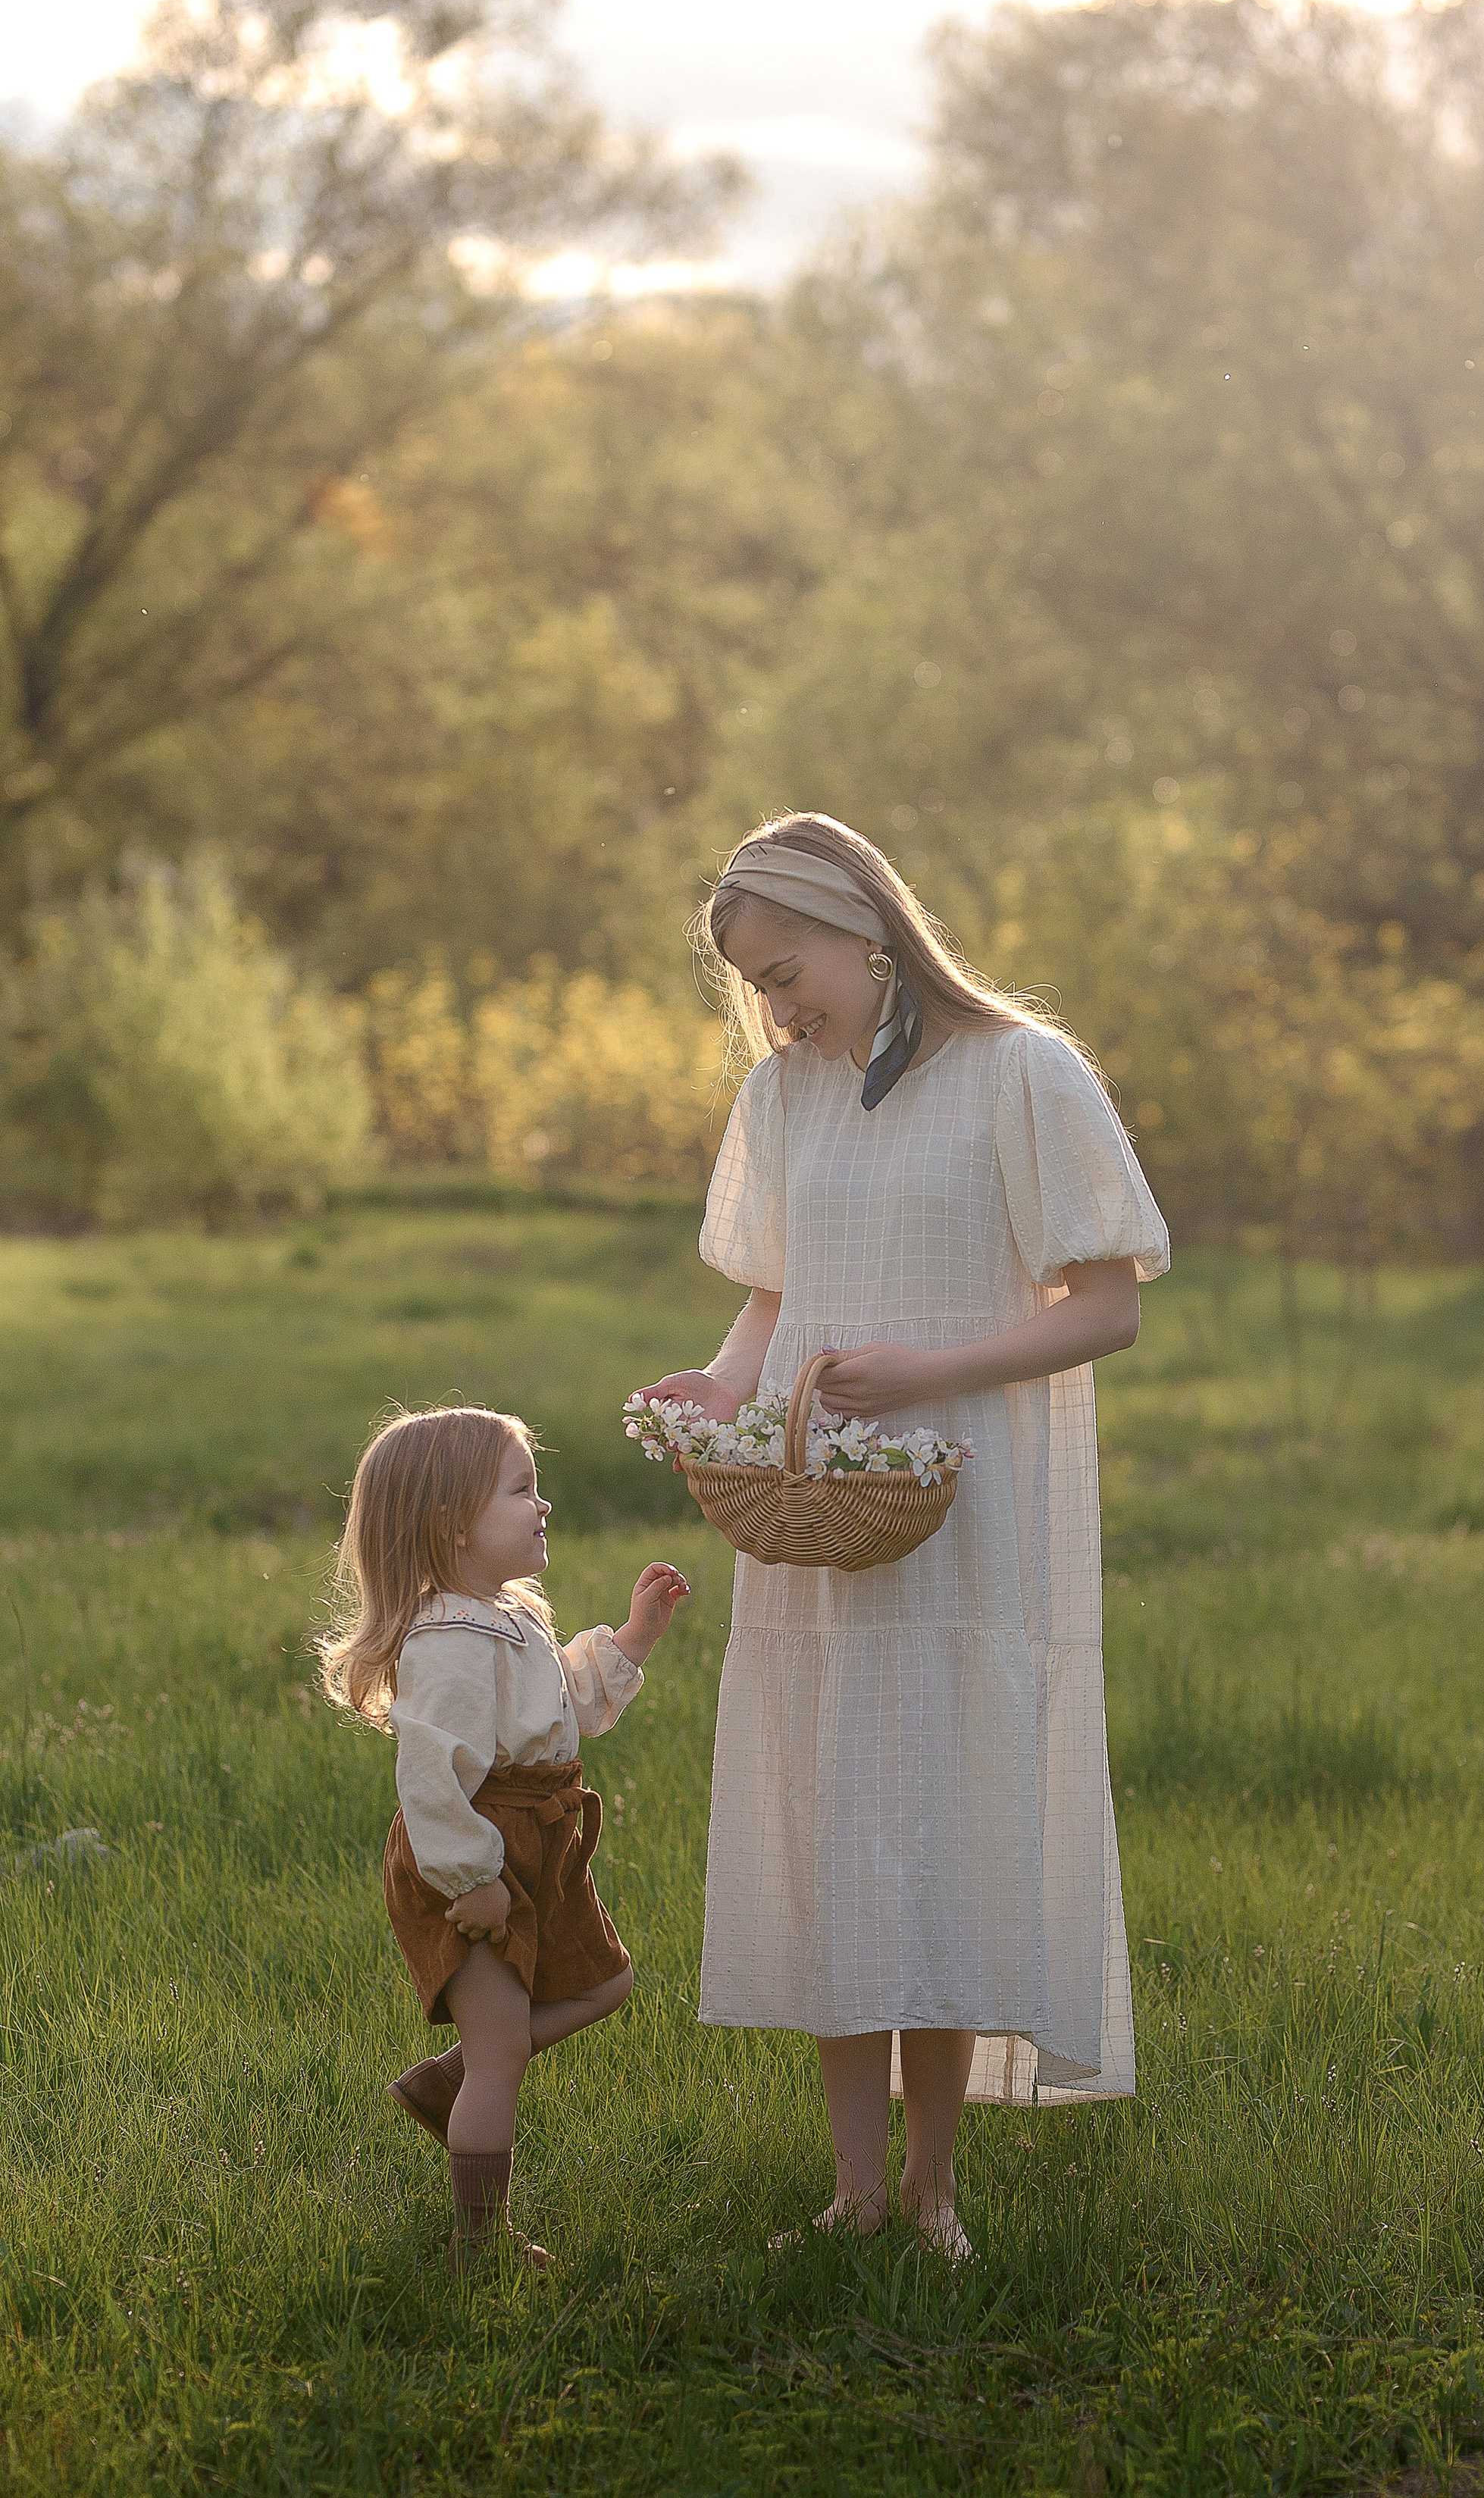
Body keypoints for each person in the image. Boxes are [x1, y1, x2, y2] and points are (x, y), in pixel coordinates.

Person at [637, 810, 1168, 2262]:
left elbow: (1106, 1304)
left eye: (788, 967)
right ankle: (854, 2188)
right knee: (833, 1822)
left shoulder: (1021, 1074)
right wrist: (724, 1388)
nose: (776, 1006)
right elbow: (769, 1290)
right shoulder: (788, 1096)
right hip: (819, 1512)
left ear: (867, 928)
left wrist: (922, 1370)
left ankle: (935, 2188)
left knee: (932, 1822)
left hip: (959, 1501)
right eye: (754, 982)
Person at [317, 1404, 689, 2270]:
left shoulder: (504, 1612)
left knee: (608, 1983)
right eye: (522, 1489)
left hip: (540, 1839)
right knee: (504, 2056)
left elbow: (555, 1706)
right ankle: (477, 2242)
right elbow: (430, 1774)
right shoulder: (447, 1638)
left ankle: (449, 2074)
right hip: (481, 1848)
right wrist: (469, 1877)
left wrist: (631, 1638)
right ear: (452, 1522)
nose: (543, 1504)